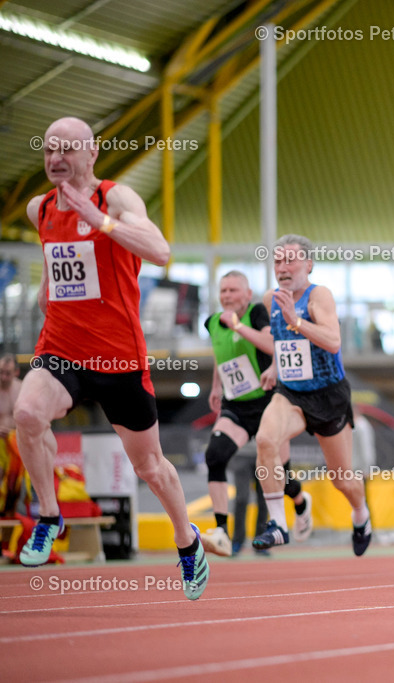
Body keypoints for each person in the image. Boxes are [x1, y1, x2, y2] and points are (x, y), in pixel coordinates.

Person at [13, 117, 208, 598]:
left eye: (66, 150)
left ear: (92, 154)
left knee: (150, 467)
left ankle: (188, 542)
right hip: (61, 348)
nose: (55, 159)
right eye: (48, 151)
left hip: (119, 357)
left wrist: (100, 221)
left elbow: (161, 251)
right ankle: (50, 516)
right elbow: (57, 266)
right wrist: (47, 292)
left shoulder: (114, 200)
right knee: (27, 413)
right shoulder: (39, 209)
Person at [252, 235, 371, 555]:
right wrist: (276, 365)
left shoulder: (319, 297)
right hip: (291, 394)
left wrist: (297, 320)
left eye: (290, 260)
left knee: (342, 480)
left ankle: (361, 514)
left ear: (308, 264)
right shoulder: (270, 299)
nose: (283, 267)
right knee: (265, 440)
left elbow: (333, 342)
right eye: (277, 261)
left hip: (328, 396)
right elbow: (282, 340)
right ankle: (278, 524)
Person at [199, 271, 312, 556]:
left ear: (247, 295)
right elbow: (220, 353)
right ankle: (222, 531)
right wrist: (215, 386)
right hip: (235, 405)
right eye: (223, 291)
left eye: (233, 290)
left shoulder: (257, 313)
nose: (227, 296)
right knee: (215, 455)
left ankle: (300, 503)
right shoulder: (213, 322)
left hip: (268, 404)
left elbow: (270, 345)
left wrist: (237, 326)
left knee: (281, 478)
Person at [1, 354, 26, 514]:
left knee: (18, 485)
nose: (3, 377)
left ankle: (19, 521)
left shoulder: (23, 388)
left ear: (16, 372)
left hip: (17, 444)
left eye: (7, 373)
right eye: (0, 372)